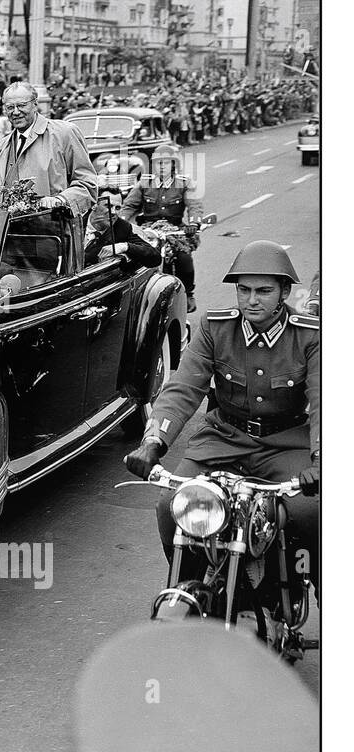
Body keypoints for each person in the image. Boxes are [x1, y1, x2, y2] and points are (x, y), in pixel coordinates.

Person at [124, 241, 319, 591]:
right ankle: (190, 591)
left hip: (286, 445)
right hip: (223, 439)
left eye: (263, 291)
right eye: (243, 290)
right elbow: (183, 387)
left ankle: (315, 589)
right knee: (173, 508)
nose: (251, 300)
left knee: (309, 514)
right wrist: (154, 441)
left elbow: (324, 403)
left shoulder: (310, 336)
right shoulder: (216, 327)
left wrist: (321, 460)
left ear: (284, 292)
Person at [0, 82, 97, 217]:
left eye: (22, 105)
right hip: (9, 234)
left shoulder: (64, 133)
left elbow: (88, 184)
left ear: (35, 104)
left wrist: (60, 200)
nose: (16, 112)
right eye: (10, 107)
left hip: (53, 232)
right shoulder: (1, 147)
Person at [119, 143, 203, 312]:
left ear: (173, 164)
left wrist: (194, 223)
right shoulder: (144, 183)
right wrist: (120, 221)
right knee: (134, 257)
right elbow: (129, 206)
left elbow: (194, 205)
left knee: (184, 259)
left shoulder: (184, 183)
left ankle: (188, 294)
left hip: (174, 230)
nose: (162, 166)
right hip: (149, 230)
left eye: (166, 162)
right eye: (158, 163)